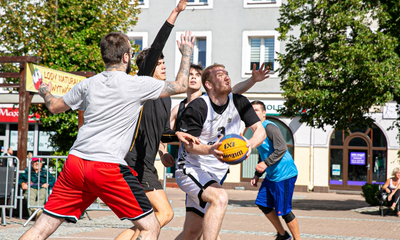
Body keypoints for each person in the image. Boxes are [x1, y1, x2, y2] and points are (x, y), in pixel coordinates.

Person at [19, 30, 194, 240]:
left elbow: (55, 106)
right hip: (107, 167)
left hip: (75, 164)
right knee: (150, 226)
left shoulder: (88, 84)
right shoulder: (135, 84)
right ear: (126, 57)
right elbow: (182, 85)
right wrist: (186, 53)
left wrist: (44, 90)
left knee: (41, 228)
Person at [115, 2, 196, 240]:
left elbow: (162, 132)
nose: (163, 66)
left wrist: (166, 147)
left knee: (148, 222)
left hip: (147, 164)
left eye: (163, 62)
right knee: (164, 213)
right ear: (147, 68)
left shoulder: (163, 98)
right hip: (133, 162)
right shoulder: (142, 86)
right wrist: (175, 12)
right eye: (158, 63)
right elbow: (158, 43)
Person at [168, 62, 271, 240]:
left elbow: (260, 131)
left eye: (226, 73)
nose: (226, 77)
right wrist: (210, 149)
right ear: (208, 84)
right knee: (220, 198)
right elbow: (189, 145)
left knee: (192, 232)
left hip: (216, 173)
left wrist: (250, 144)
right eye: (219, 75)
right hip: (191, 168)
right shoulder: (199, 106)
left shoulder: (239, 101)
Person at [250, 100, 301, 240]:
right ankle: (283, 235)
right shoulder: (256, 131)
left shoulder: (269, 127)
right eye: (251, 111)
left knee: (284, 211)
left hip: (284, 174)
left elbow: (282, 148)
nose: (253, 113)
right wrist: (257, 174)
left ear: (264, 113)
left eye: (256, 110)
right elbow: (263, 153)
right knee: (263, 204)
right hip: (272, 175)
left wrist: (265, 164)